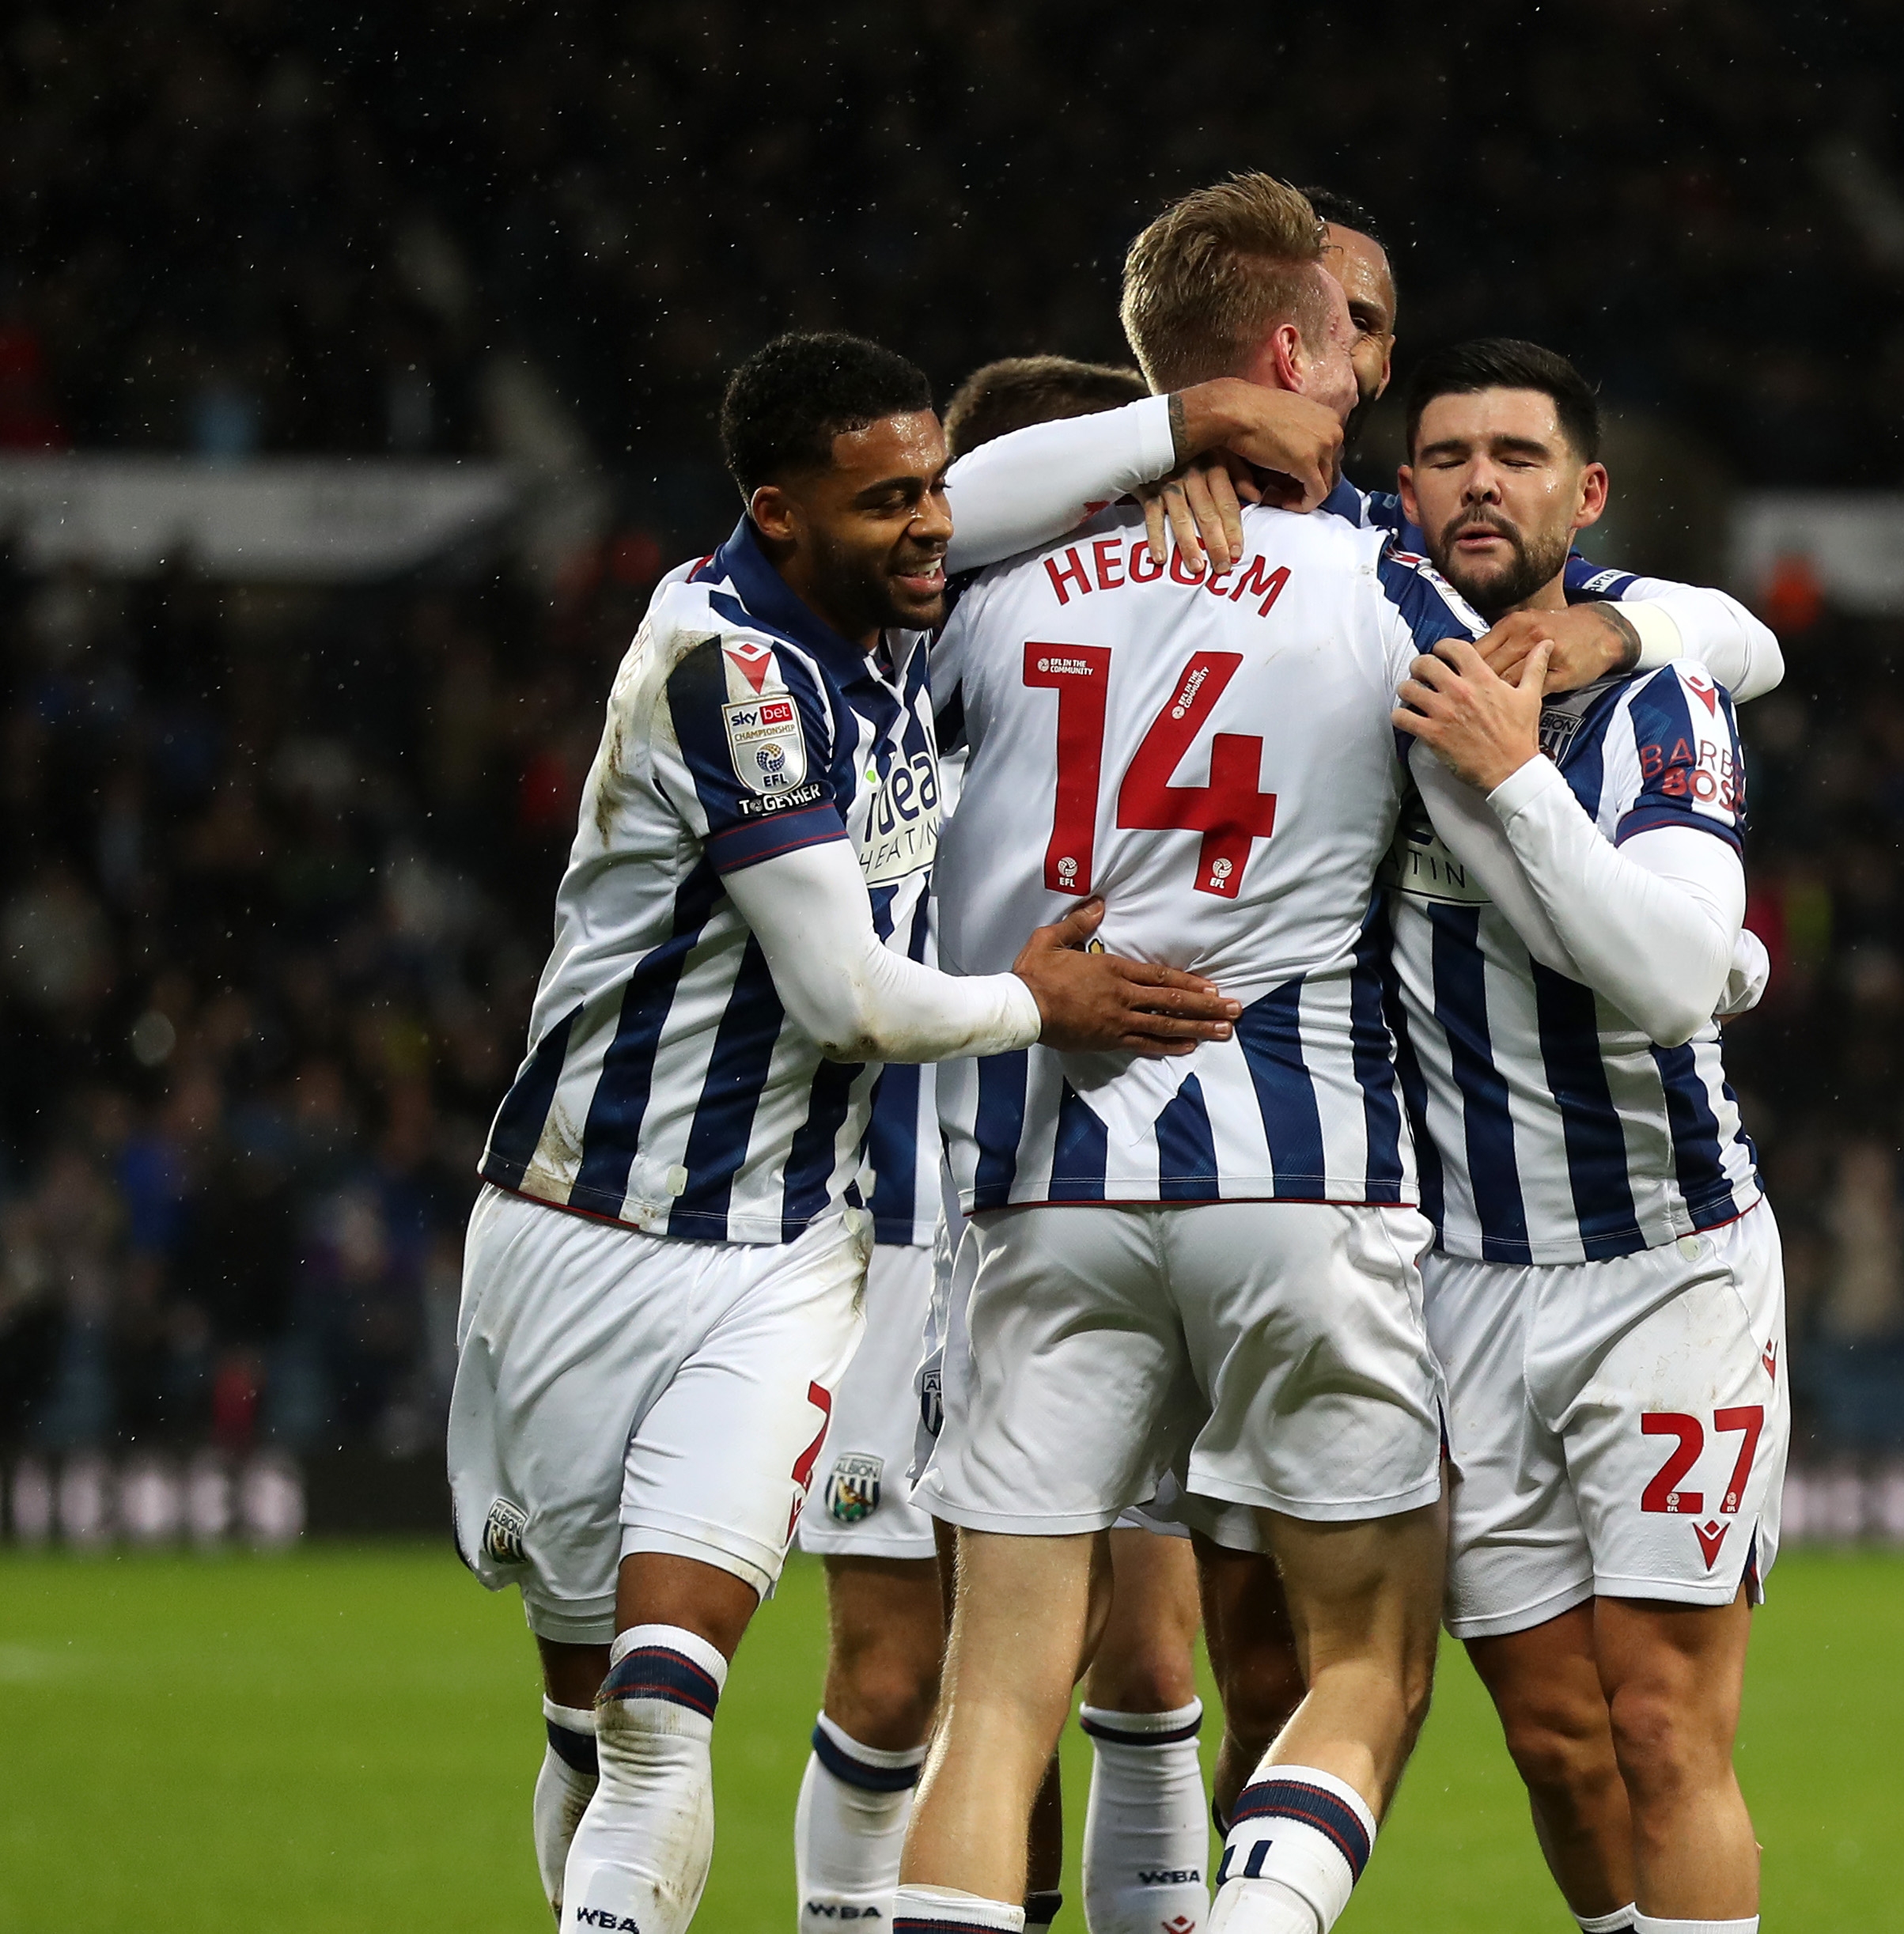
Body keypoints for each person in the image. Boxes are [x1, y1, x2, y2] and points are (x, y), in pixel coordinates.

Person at [449, 331, 1240, 1934]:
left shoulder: (885, 613)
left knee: (667, 1704)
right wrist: (1040, 1000)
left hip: (789, 1254)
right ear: (780, 509)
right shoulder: (728, 662)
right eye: (889, 501)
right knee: (589, 1710)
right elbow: (852, 1001)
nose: (935, 526)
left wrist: (1185, 427)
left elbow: (997, 479)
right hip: (573, 1220)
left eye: (937, 493)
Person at [895, 172, 1465, 1934]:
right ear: (1286, 347)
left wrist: (1167, 439)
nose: (1365, 383)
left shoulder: (992, 581)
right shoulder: (1379, 577)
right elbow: (1544, 704)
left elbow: (921, 514)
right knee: (1363, 1654)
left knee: (996, 1696)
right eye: (1344, 345)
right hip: (1296, 1171)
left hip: (1043, 1177)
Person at [794, 348, 1218, 1934]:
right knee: (900, 1675)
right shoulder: (884, 650)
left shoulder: (1197, 631)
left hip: (1115, 1194)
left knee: (1144, 1654)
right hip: (907, 1219)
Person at [1382, 338, 1783, 1934]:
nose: (1482, 479)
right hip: (1463, 1278)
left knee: (1658, 1722)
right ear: (1398, 490)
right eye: (1448, 454)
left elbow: (1680, 972)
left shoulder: (1654, 692)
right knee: (1552, 1736)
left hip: (1664, 1263)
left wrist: (1511, 781)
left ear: (1586, 491)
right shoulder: (1366, 655)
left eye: (1518, 454)